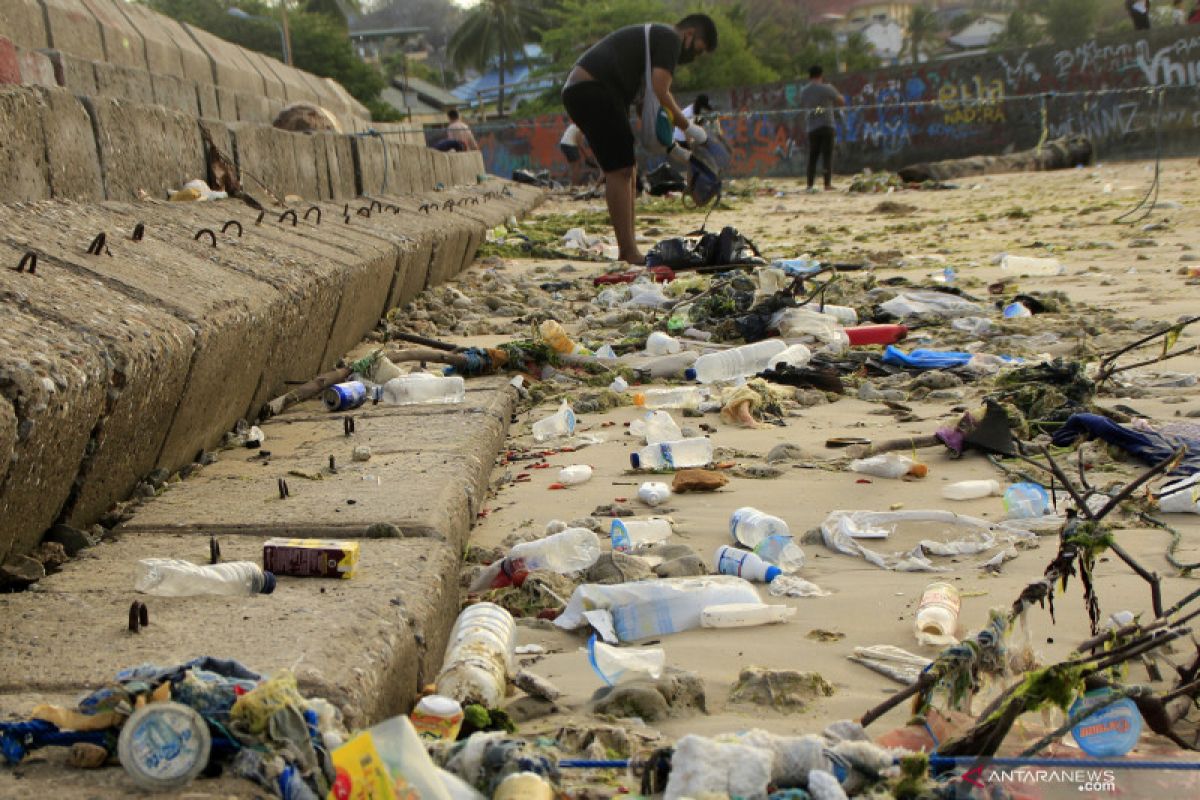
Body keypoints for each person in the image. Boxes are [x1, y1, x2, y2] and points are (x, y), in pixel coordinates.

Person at [561, 14, 718, 265]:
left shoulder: (652, 46)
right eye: (697, 50)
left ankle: (629, 247)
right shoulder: (670, 38)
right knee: (620, 170)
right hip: (592, 89)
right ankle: (628, 251)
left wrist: (676, 151)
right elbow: (660, 88)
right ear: (689, 34)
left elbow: (649, 111)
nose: (694, 58)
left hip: (591, 91)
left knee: (628, 168)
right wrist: (689, 127)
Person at [798, 64, 845, 193]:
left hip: (812, 127)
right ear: (821, 75)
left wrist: (816, 108)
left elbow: (802, 102)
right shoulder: (827, 88)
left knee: (812, 156)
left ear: (810, 76)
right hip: (827, 124)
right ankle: (827, 184)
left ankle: (810, 184)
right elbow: (841, 101)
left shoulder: (804, 91)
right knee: (827, 155)